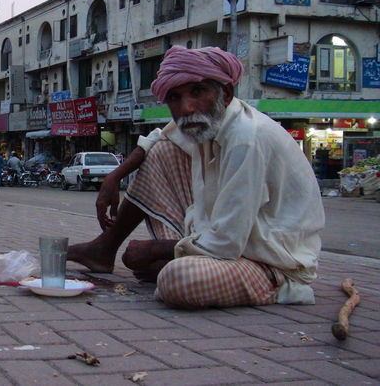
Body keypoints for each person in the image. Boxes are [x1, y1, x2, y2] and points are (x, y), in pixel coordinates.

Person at [68, 45, 324, 309]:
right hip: (226, 244)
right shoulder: (206, 126)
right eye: (174, 98)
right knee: (161, 152)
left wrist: (159, 250)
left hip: (273, 262)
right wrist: (115, 176)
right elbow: (158, 138)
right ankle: (106, 247)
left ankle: (276, 287)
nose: (186, 107)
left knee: (178, 279)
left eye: (197, 92)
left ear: (225, 93)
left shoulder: (245, 139)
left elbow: (227, 242)